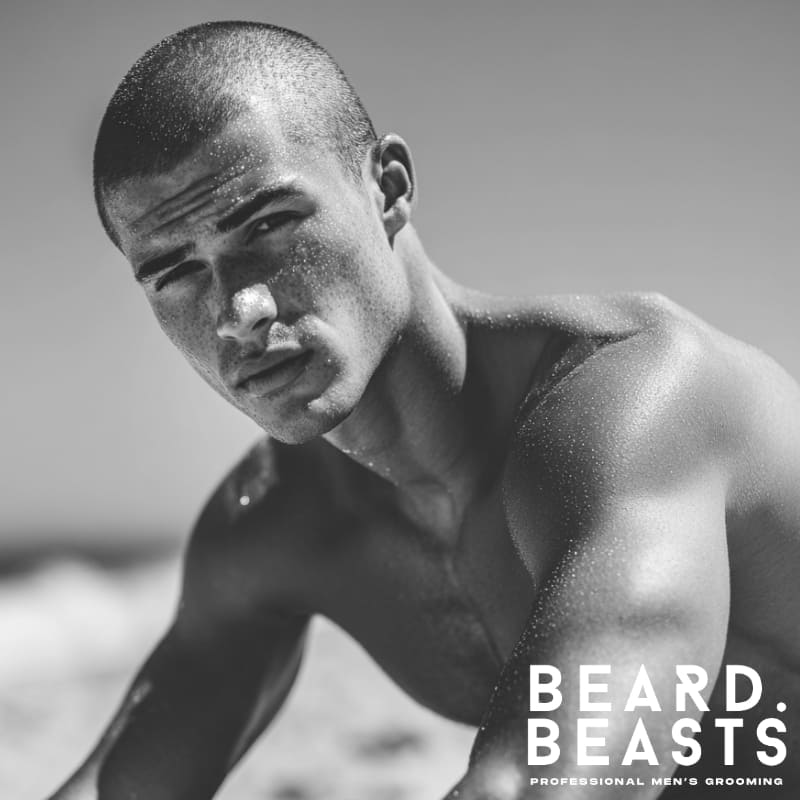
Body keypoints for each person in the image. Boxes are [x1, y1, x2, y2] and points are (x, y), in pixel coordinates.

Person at [50, 20, 799, 800]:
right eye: (174, 272)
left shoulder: (637, 406)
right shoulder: (276, 526)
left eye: (268, 224)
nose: (238, 311)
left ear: (389, 187)